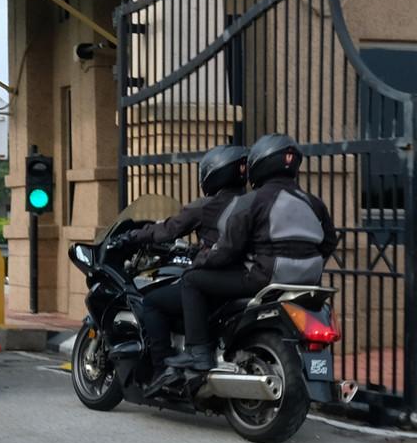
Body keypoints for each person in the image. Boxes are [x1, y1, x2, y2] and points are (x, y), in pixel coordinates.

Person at [165, 133, 337, 372]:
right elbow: (329, 242)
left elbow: (228, 248)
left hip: (264, 278)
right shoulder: (313, 202)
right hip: (308, 281)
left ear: (260, 164)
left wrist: (200, 260)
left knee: (192, 281)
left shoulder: (253, 201)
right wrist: (306, 262)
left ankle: (198, 352)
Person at [113, 145, 247, 394]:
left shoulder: (207, 206)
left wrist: (132, 235)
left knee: (152, 302)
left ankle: (163, 368)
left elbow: (168, 229)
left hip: (214, 281)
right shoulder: (253, 203)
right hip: (244, 279)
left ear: (213, 173)